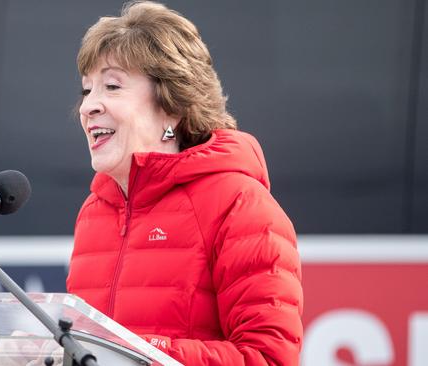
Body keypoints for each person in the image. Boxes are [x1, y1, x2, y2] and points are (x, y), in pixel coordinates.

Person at [66, 1, 303, 365]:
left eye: (112, 86)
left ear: (172, 106)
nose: (88, 107)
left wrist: (139, 353)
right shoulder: (94, 212)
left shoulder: (239, 204)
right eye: (87, 90)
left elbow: (269, 357)